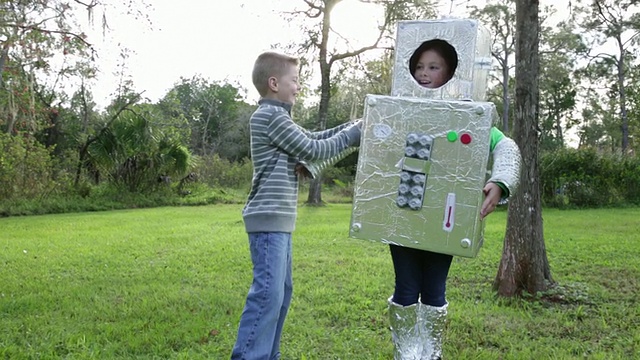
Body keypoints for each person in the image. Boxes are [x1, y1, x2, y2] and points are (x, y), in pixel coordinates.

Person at [387, 39, 521, 360]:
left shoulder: (469, 118)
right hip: (403, 216)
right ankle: (406, 354)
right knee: (406, 286)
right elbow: (367, 132)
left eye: (433, 67)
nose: (423, 73)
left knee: (433, 288)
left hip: (444, 220)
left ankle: (431, 353)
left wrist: (501, 181)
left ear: (451, 72)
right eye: (419, 66)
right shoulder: (398, 110)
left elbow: (506, 146)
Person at [231, 51, 362, 360]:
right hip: (268, 220)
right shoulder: (269, 117)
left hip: (279, 222)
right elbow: (313, 149)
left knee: (281, 294)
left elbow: (313, 137)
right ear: (274, 83)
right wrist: (352, 135)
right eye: (295, 81)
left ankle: (268, 354)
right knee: (267, 296)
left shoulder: (280, 118)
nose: (299, 87)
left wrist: (351, 127)